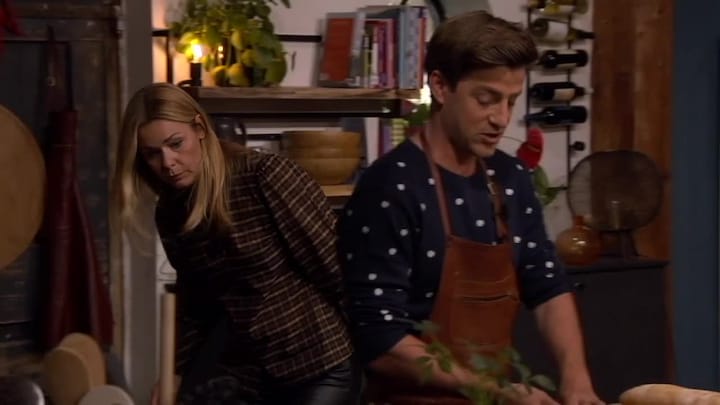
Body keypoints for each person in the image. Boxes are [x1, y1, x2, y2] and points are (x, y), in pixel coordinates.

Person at [338, 11, 604, 405]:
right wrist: (495, 391)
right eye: (486, 99)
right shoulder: (392, 186)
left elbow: (547, 286)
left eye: (511, 101)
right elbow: (380, 339)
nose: (501, 119)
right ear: (441, 86)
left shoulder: (510, 177)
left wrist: (577, 381)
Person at [112, 83, 358, 405]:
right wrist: (175, 372)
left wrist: (376, 355)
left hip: (320, 363)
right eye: (152, 153)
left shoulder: (265, 176)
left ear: (200, 129)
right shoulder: (172, 212)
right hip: (252, 377)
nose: (168, 162)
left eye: (175, 144)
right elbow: (197, 304)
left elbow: (334, 268)